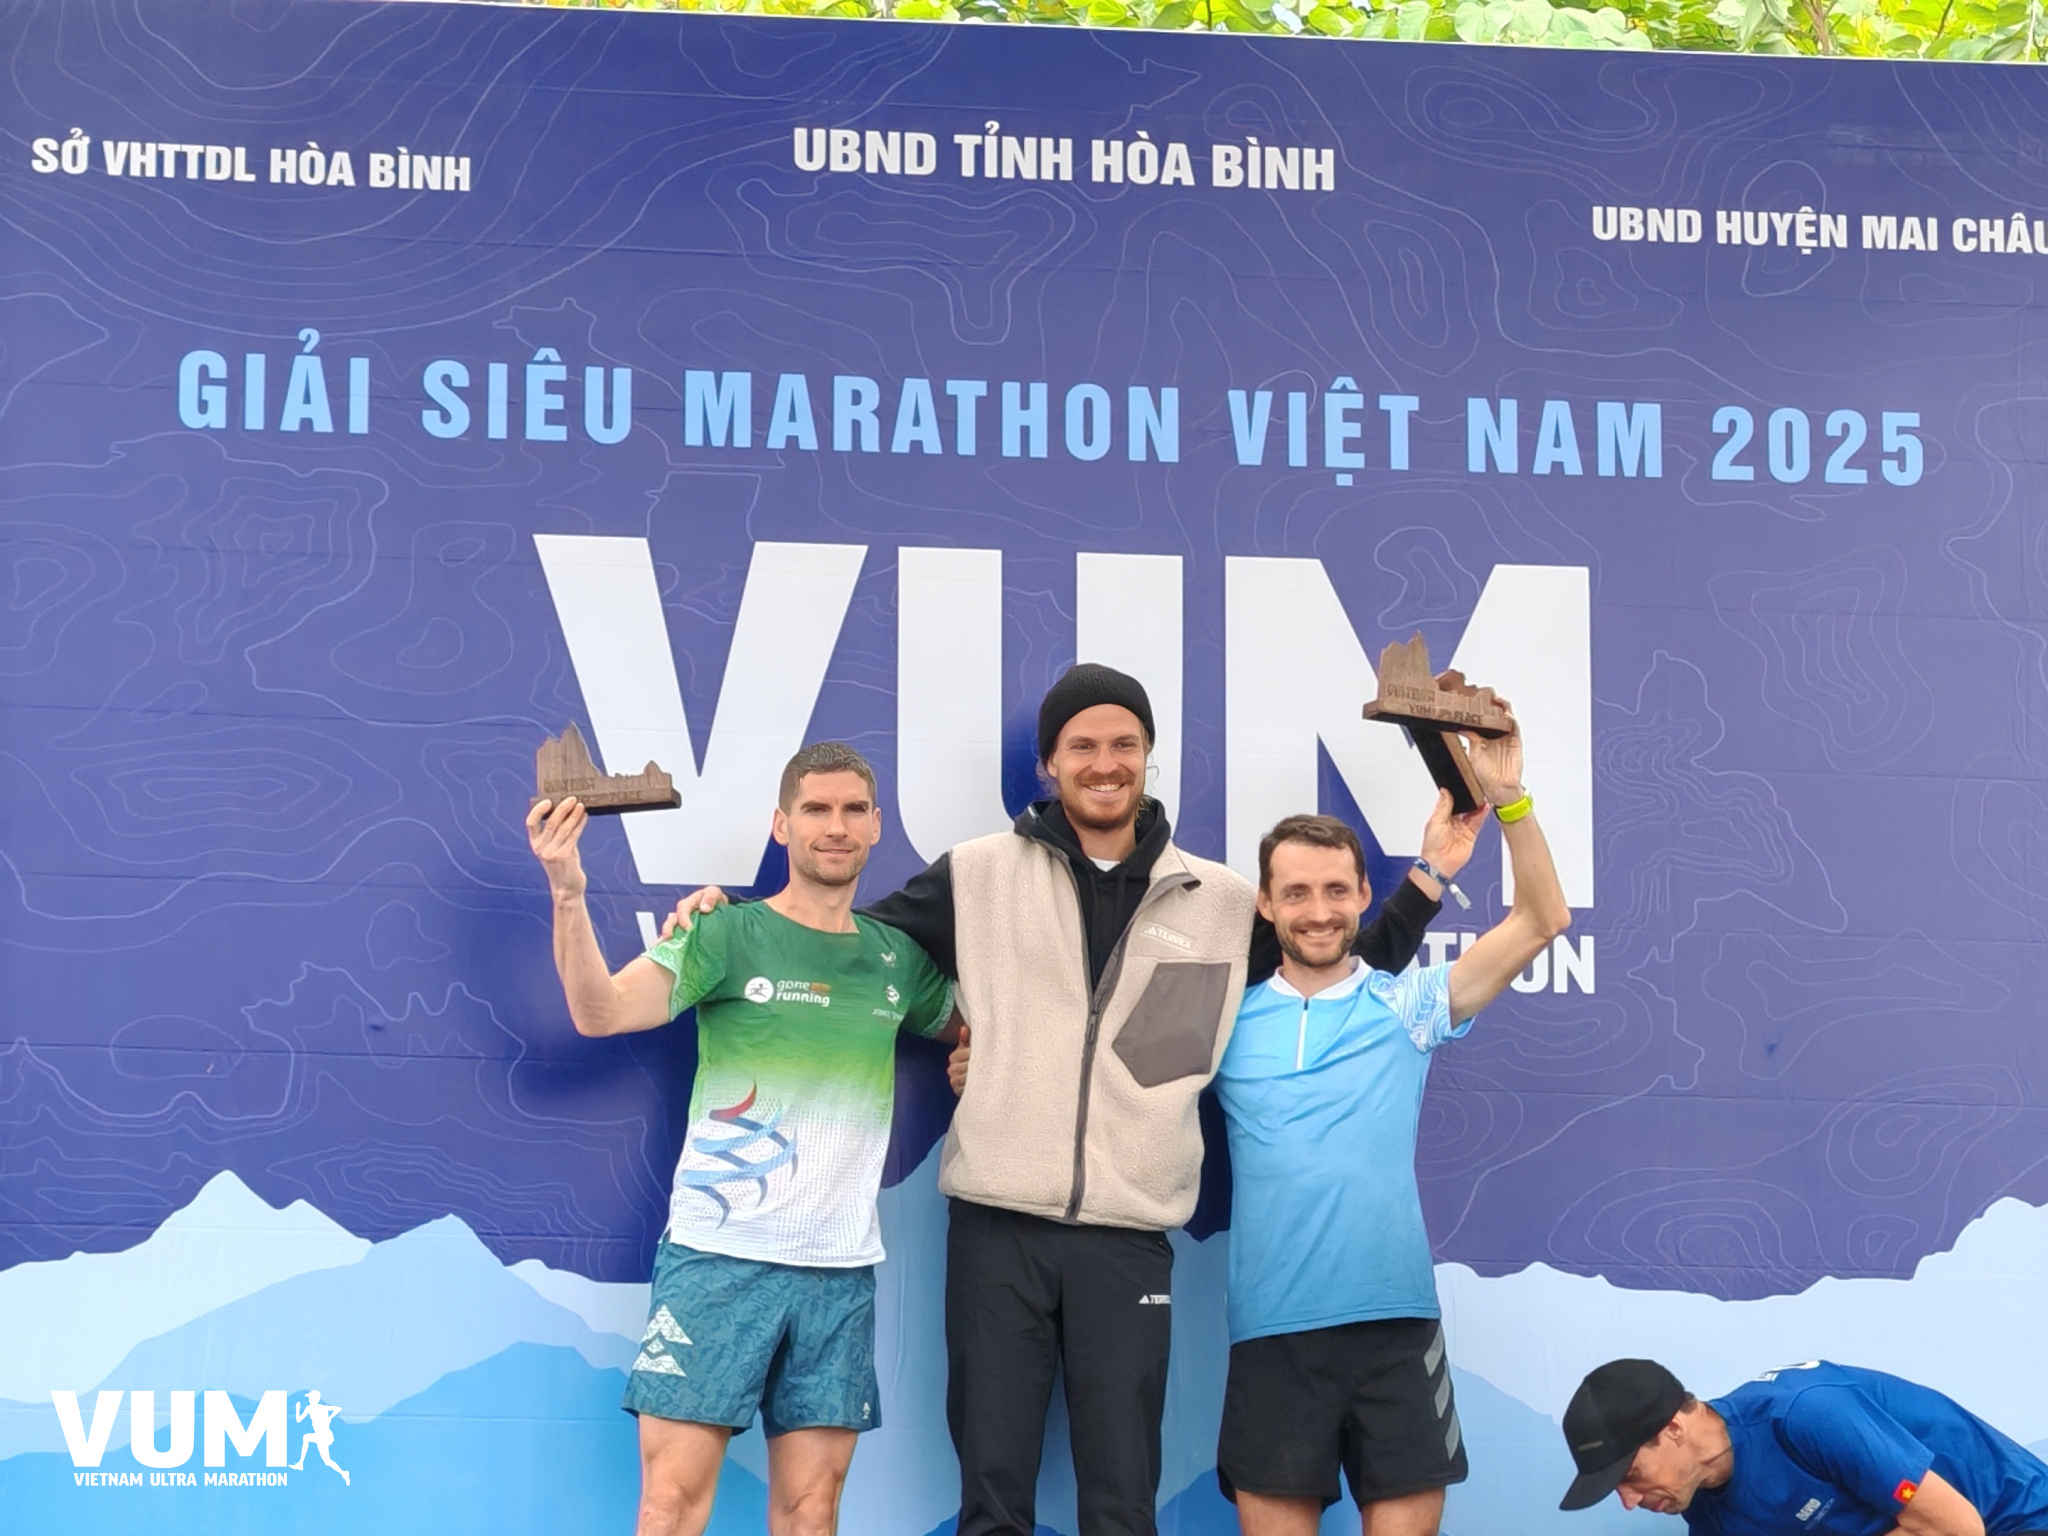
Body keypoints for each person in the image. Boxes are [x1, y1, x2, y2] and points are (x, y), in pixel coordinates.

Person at [668, 662, 1477, 1536]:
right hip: (996, 1231)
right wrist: (736, 920)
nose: (1105, 762)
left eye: (1124, 743)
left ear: (1148, 756)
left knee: (1122, 1507)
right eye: (1082, 745)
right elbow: (844, 943)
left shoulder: (1219, 900)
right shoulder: (977, 872)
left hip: (1129, 1238)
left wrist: (1427, 881)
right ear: (1050, 763)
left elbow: (1334, 965)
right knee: (992, 1499)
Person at [526, 741, 954, 1536]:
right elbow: (599, 1012)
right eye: (816, 809)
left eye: (852, 810)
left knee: (811, 1514)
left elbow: (986, 1027)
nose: (835, 826)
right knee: (670, 1508)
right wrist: (567, 889)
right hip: (719, 1260)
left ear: (875, 826)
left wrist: (975, 1053)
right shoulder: (723, 932)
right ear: (781, 824)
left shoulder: (897, 958)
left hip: (838, 1273)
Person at [1210, 707, 1571, 1536]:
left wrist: (1510, 800)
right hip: (1272, 1334)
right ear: (1265, 904)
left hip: (1396, 1329)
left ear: (1365, 896)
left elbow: (1542, 919)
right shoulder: (1221, 1021)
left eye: (1337, 890)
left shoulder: (1407, 1004)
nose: (1318, 910)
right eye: (1296, 892)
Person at [1557, 1357, 2048, 1536]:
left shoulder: (1806, 1415)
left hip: (2016, 1518)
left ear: (1672, 1429)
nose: (1628, 1501)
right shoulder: (1706, 1511)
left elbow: (1957, 1528)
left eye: (1630, 1475)